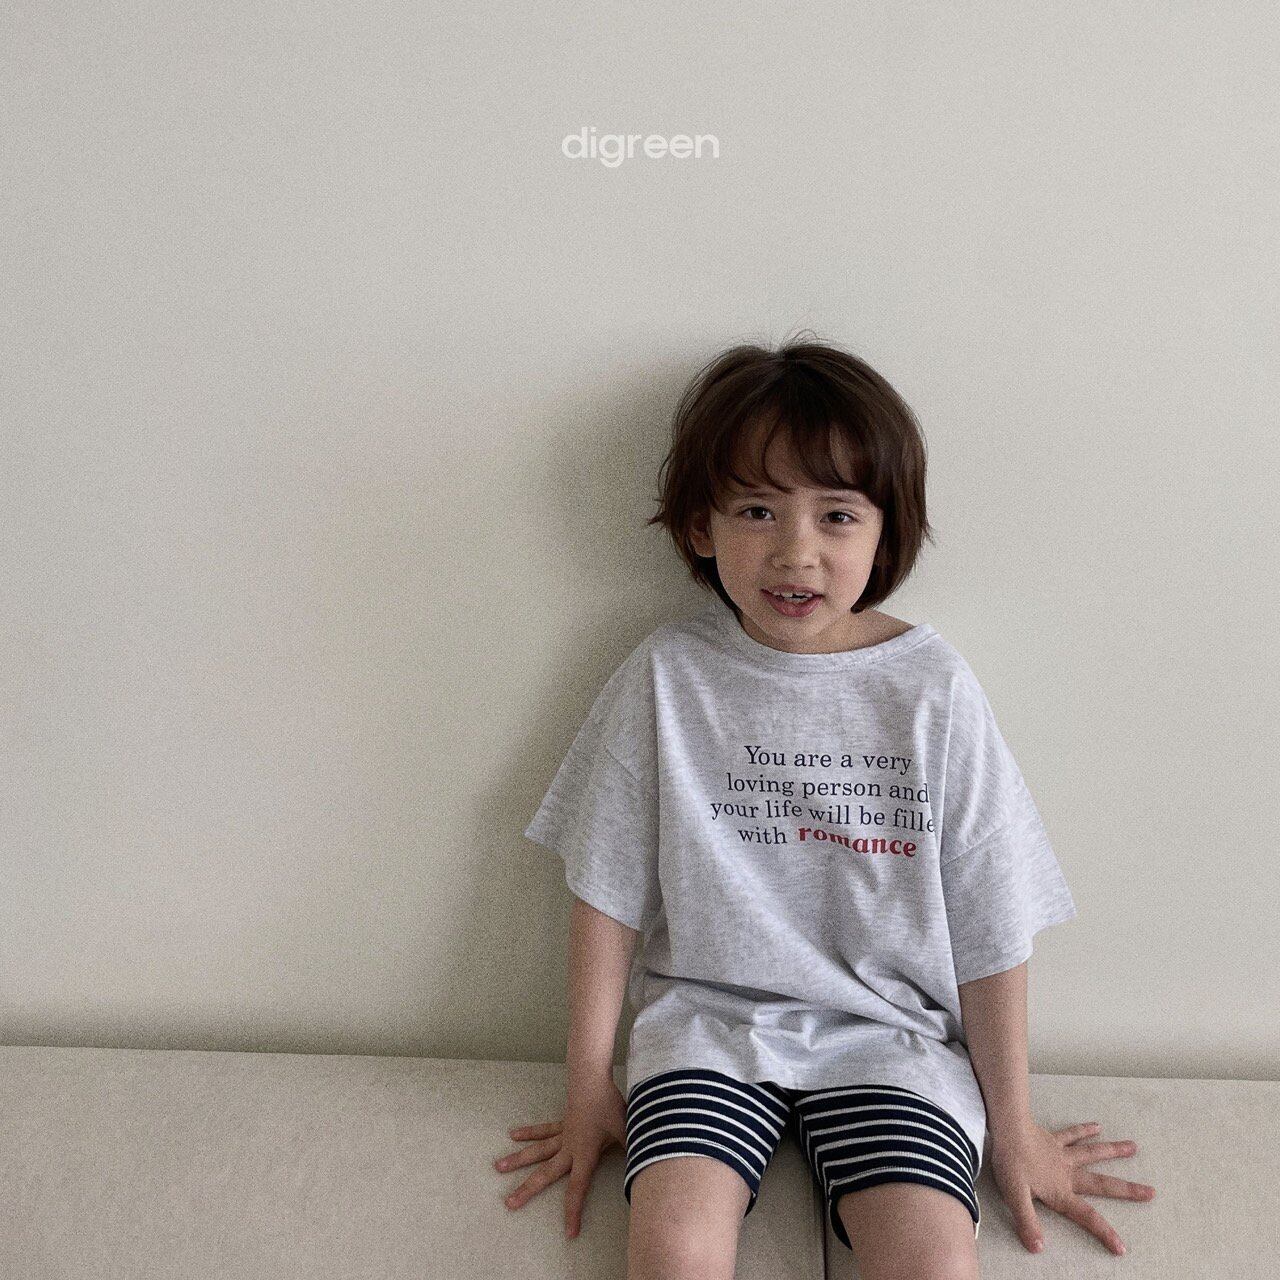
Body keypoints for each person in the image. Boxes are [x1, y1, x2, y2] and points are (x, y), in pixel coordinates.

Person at [494, 336, 1156, 1279]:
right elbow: (606, 890)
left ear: (886, 531)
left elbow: (991, 919)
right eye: (756, 510)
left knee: (932, 1263)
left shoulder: (933, 690)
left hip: (892, 1042)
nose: (795, 552)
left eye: (837, 515)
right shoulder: (667, 677)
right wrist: (588, 1084)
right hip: (707, 1031)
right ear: (700, 526)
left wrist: (1014, 1125)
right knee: (673, 1252)